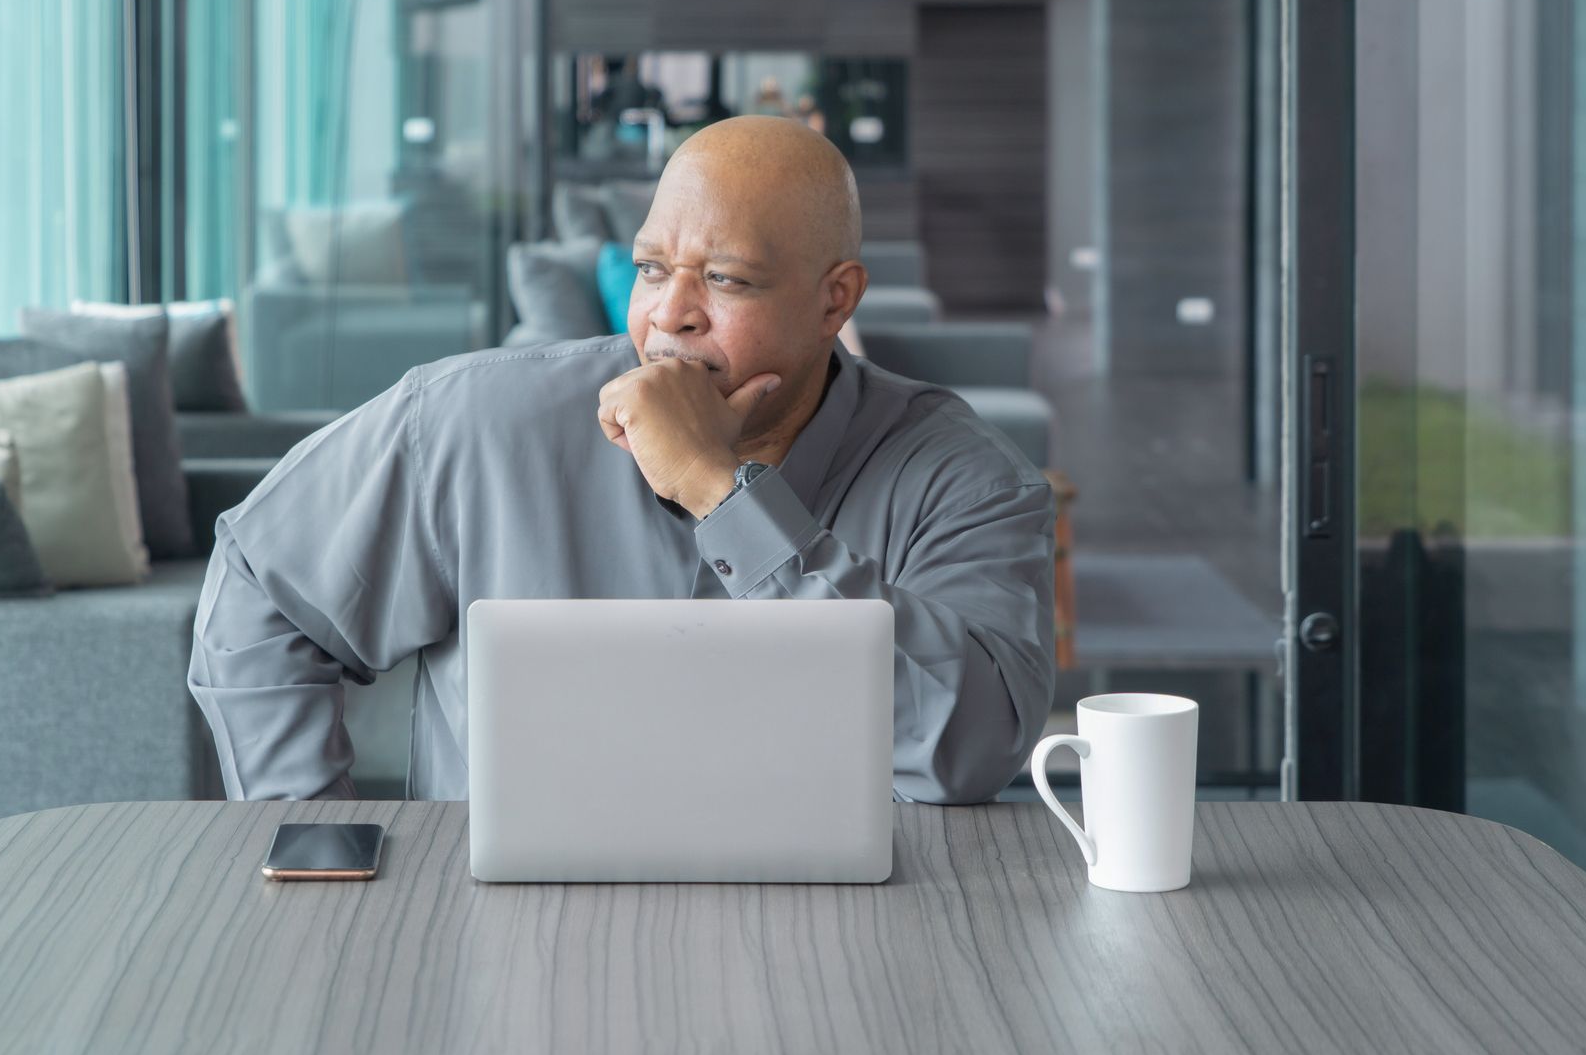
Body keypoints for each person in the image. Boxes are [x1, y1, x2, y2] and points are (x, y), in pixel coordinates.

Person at [187, 115, 1055, 805]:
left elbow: (966, 749)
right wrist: (313, 839)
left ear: (837, 299)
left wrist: (724, 496)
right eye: (650, 268)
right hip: (505, 947)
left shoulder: (964, 480)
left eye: (725, 280)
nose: (669, 316)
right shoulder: (474, 424)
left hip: (830, 956)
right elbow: (264, 587)